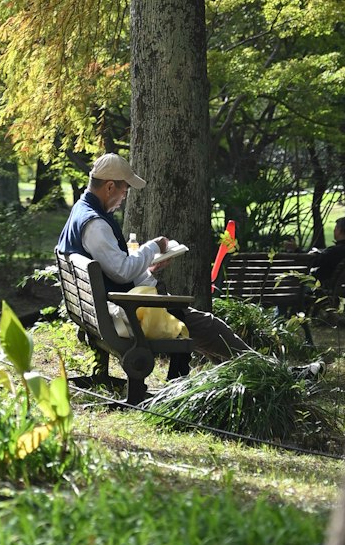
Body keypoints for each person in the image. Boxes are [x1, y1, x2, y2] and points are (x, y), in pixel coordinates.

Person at [58, 154, 243, 401]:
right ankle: (267, 369)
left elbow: (113, 270)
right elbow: (121, 272)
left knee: (206, 329)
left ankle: (241, 372)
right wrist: (153, 248)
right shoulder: (96, 225)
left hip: (106, 311)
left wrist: (149, 269)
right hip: (126, 317)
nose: (124, 197)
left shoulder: (81, 212)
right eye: (124, 190)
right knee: (210, 326)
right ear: (110, 186)